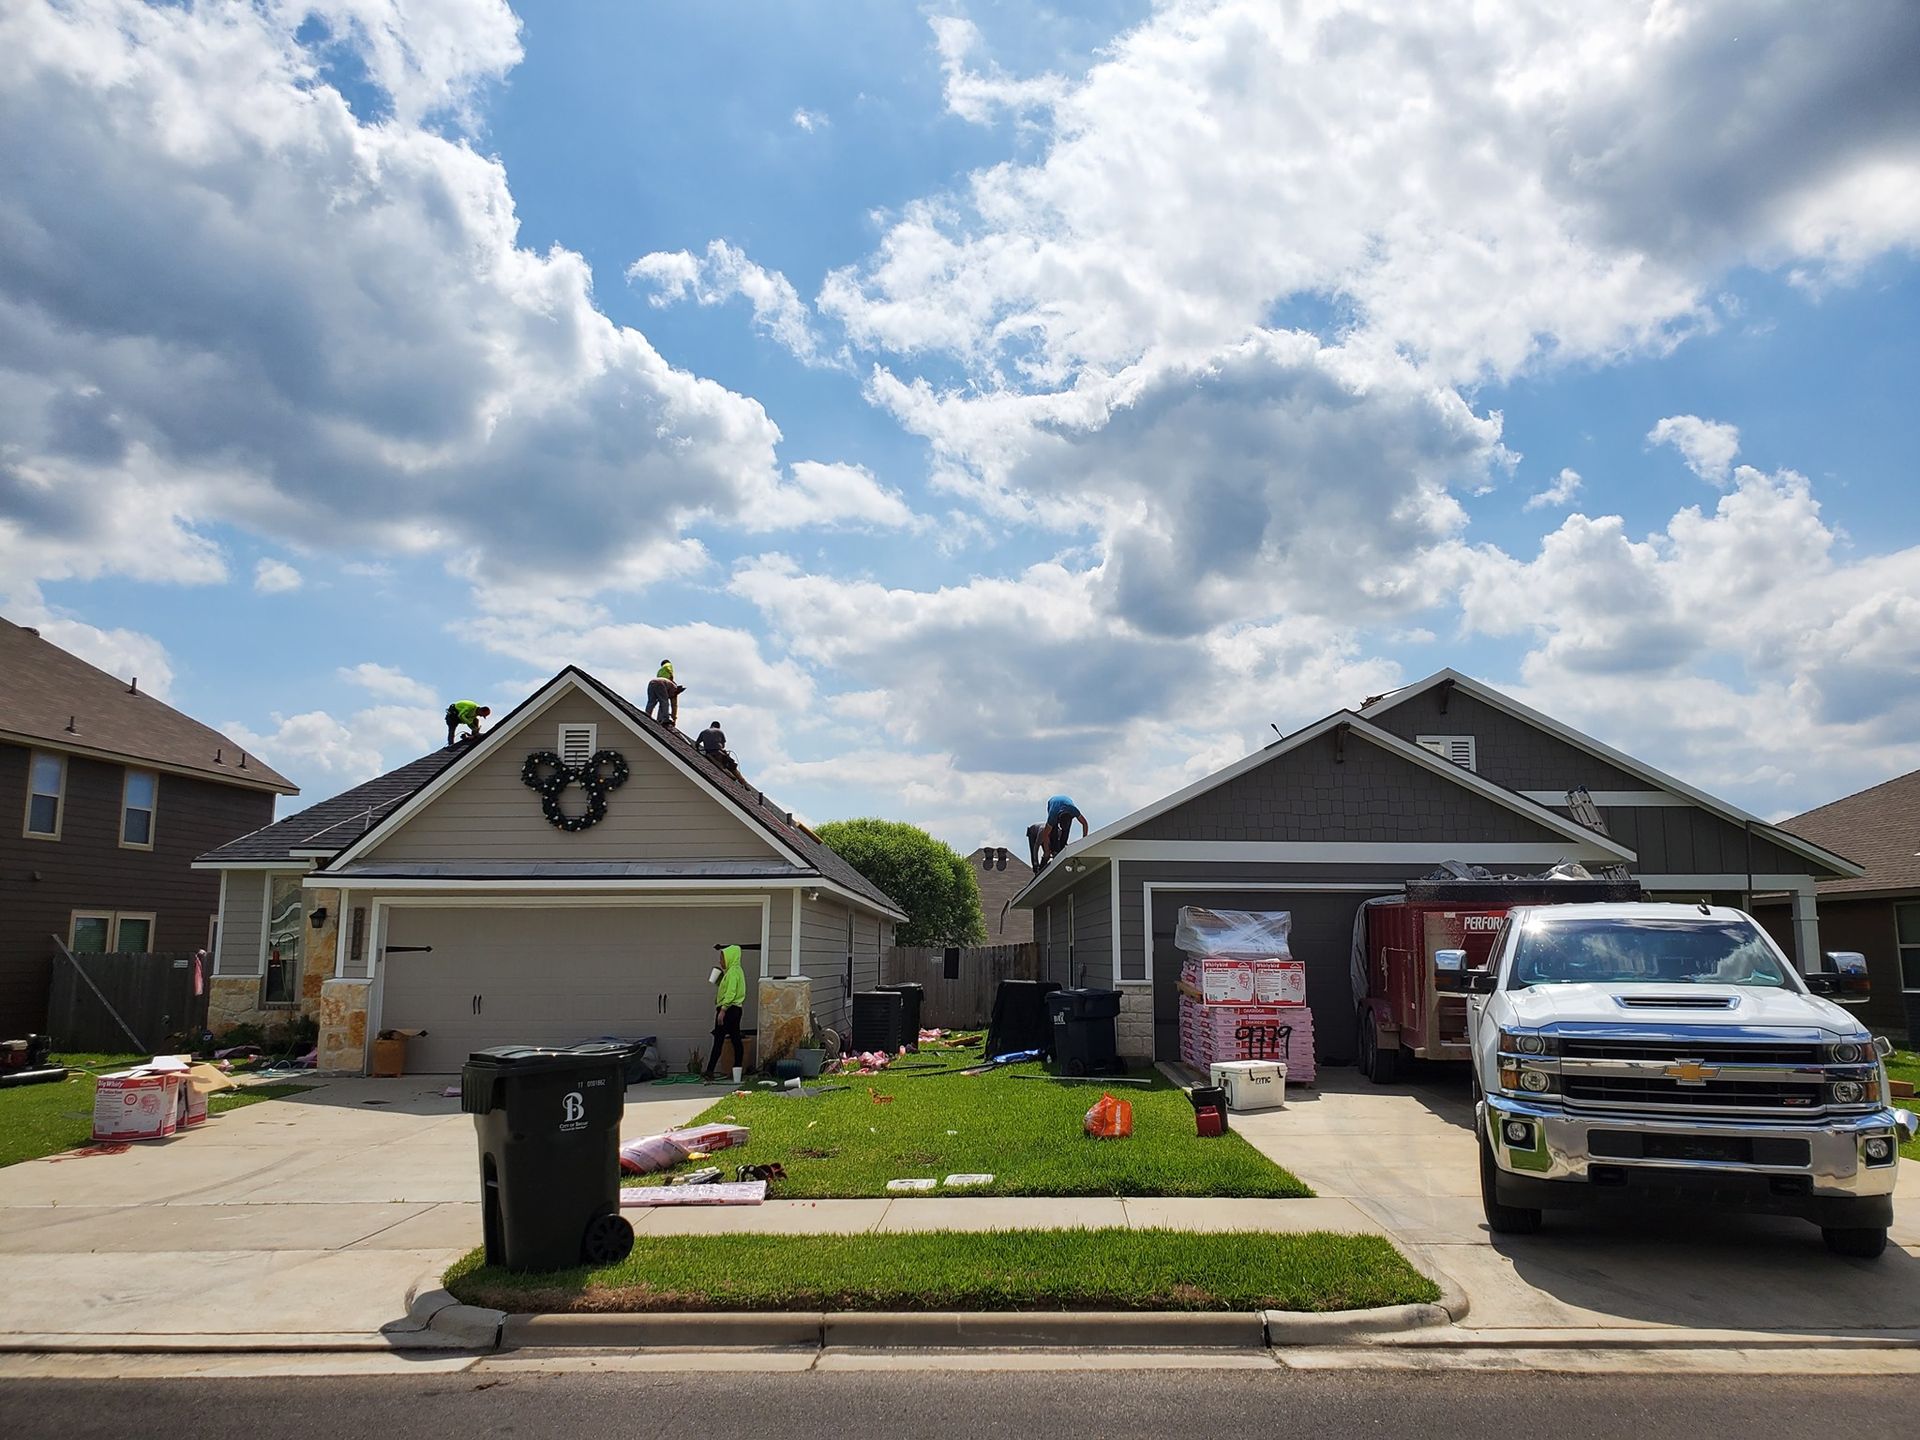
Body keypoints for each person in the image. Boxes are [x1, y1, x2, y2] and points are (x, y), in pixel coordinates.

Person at [703, 943, 748, 1082]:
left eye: (722, 958)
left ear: (730, 957)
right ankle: (737, 1070)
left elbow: (731, 992)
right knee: (735, 1039)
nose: (720, 961)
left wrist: (723, 1010)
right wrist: (719, 980)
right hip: (733, 1010)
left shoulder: (733, 972)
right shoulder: (733, 972)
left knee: (719, 1040)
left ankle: (710, 1071)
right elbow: (726, 988)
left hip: (729, 1010)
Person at [1044, 793, 1088, 859]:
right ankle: (1055, 849)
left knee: (1066, 832)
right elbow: (1045, 834)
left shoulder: (1073, 810)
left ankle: (1062, 845)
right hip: (1052, 803)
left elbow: (1085, 824)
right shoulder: (1053, 816)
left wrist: (1084, 839)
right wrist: (1047, 851)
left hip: (1067, 804)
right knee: (1053, 830)